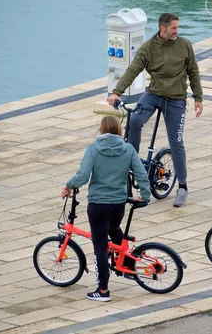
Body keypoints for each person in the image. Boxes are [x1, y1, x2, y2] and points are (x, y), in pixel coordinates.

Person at [107, 13, 203, 208]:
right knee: (133, 120)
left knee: (176, 142)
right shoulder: (148, 48)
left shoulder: (184, 45)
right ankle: (131, 162)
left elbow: (193, 71)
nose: (177, 31)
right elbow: (133, 69)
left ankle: (182, 187)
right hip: (154, 94)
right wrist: (117, 92)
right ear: (162, 28)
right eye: (174, 28)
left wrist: (198, 97)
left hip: (176, 98)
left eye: (177, 27)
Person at [61, 116, 151, 302]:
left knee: (100, 248)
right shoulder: (128, 149)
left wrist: (69, 185)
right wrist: (146, 195)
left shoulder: (93, 149)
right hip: (118, 204)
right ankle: (126, 263)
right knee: (114, 228)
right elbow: (141, 173)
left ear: (101, 130)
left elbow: (83, 176)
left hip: (98, 205)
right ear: (119, 130)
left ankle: (102, 291)